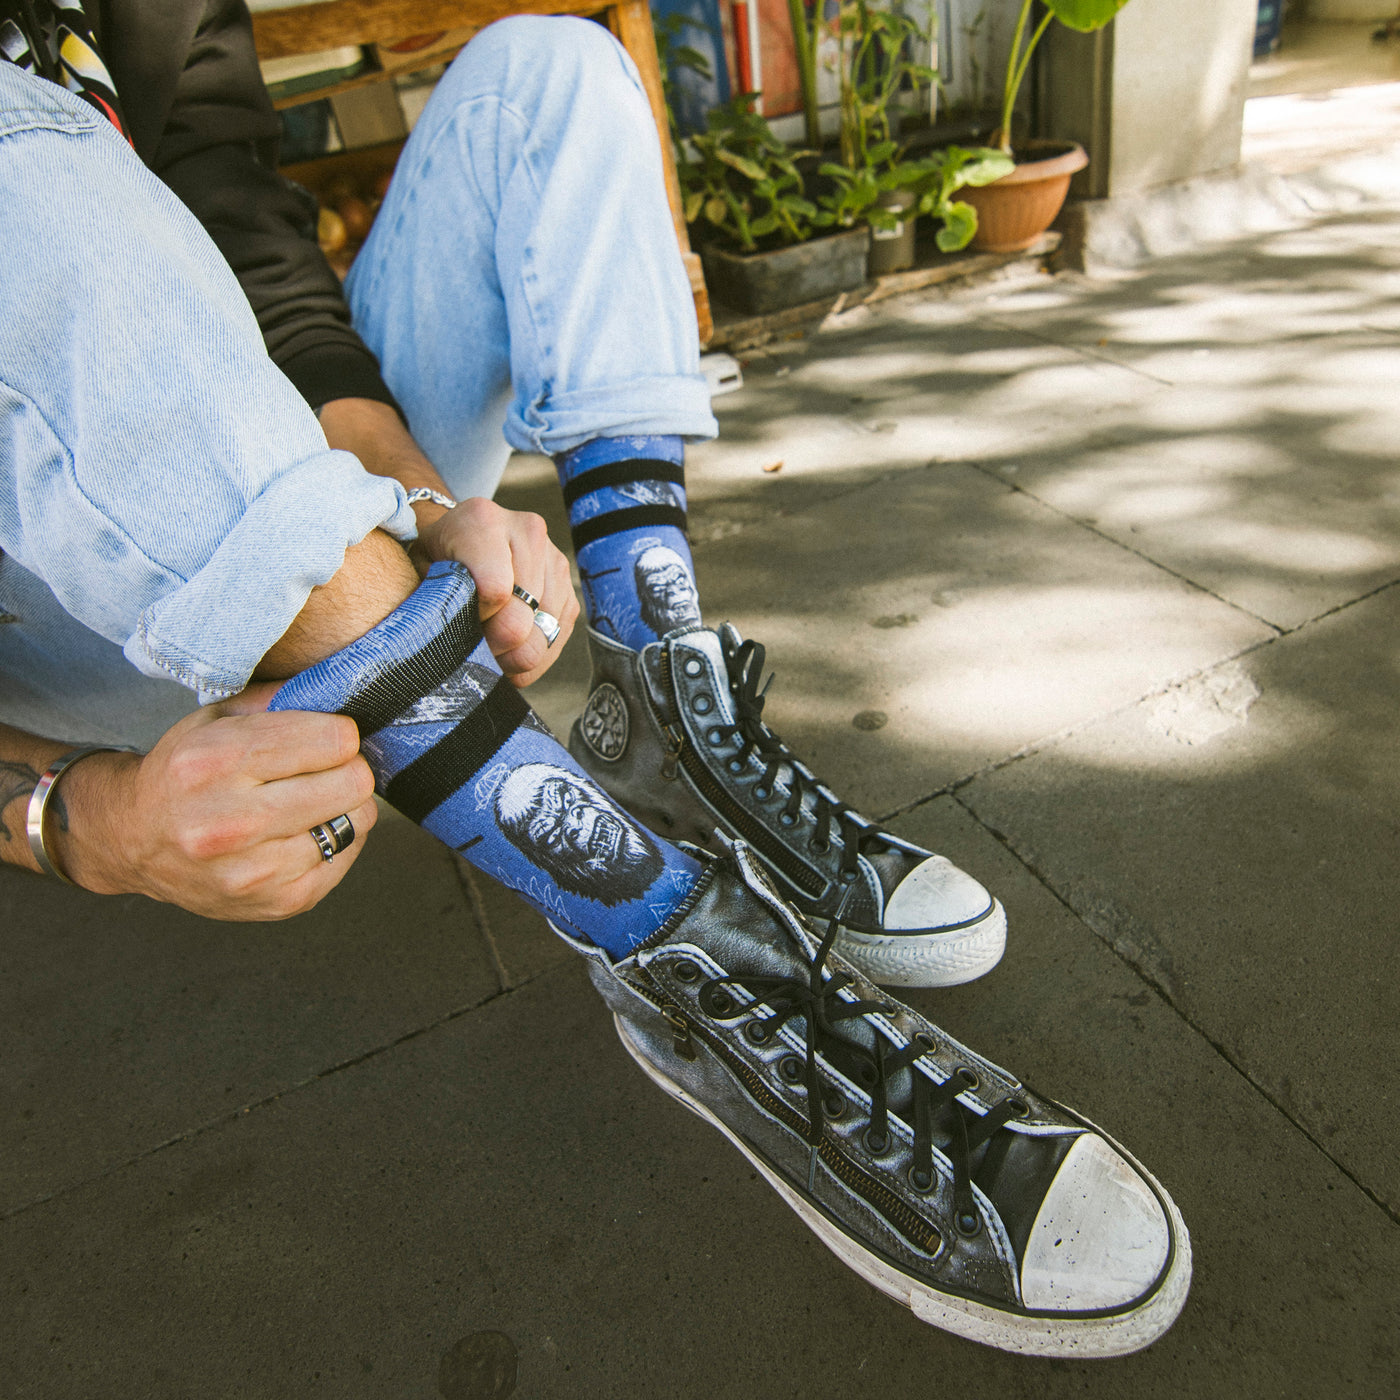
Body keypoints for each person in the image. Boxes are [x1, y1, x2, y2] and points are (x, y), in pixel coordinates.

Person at [0, 2, 1190, 1354]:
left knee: (552, 68)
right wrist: (81, 823)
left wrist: (416, 496)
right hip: (66, 630)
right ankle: (670, 934)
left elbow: (245, 239)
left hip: (278, 470)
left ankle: (670, 726)